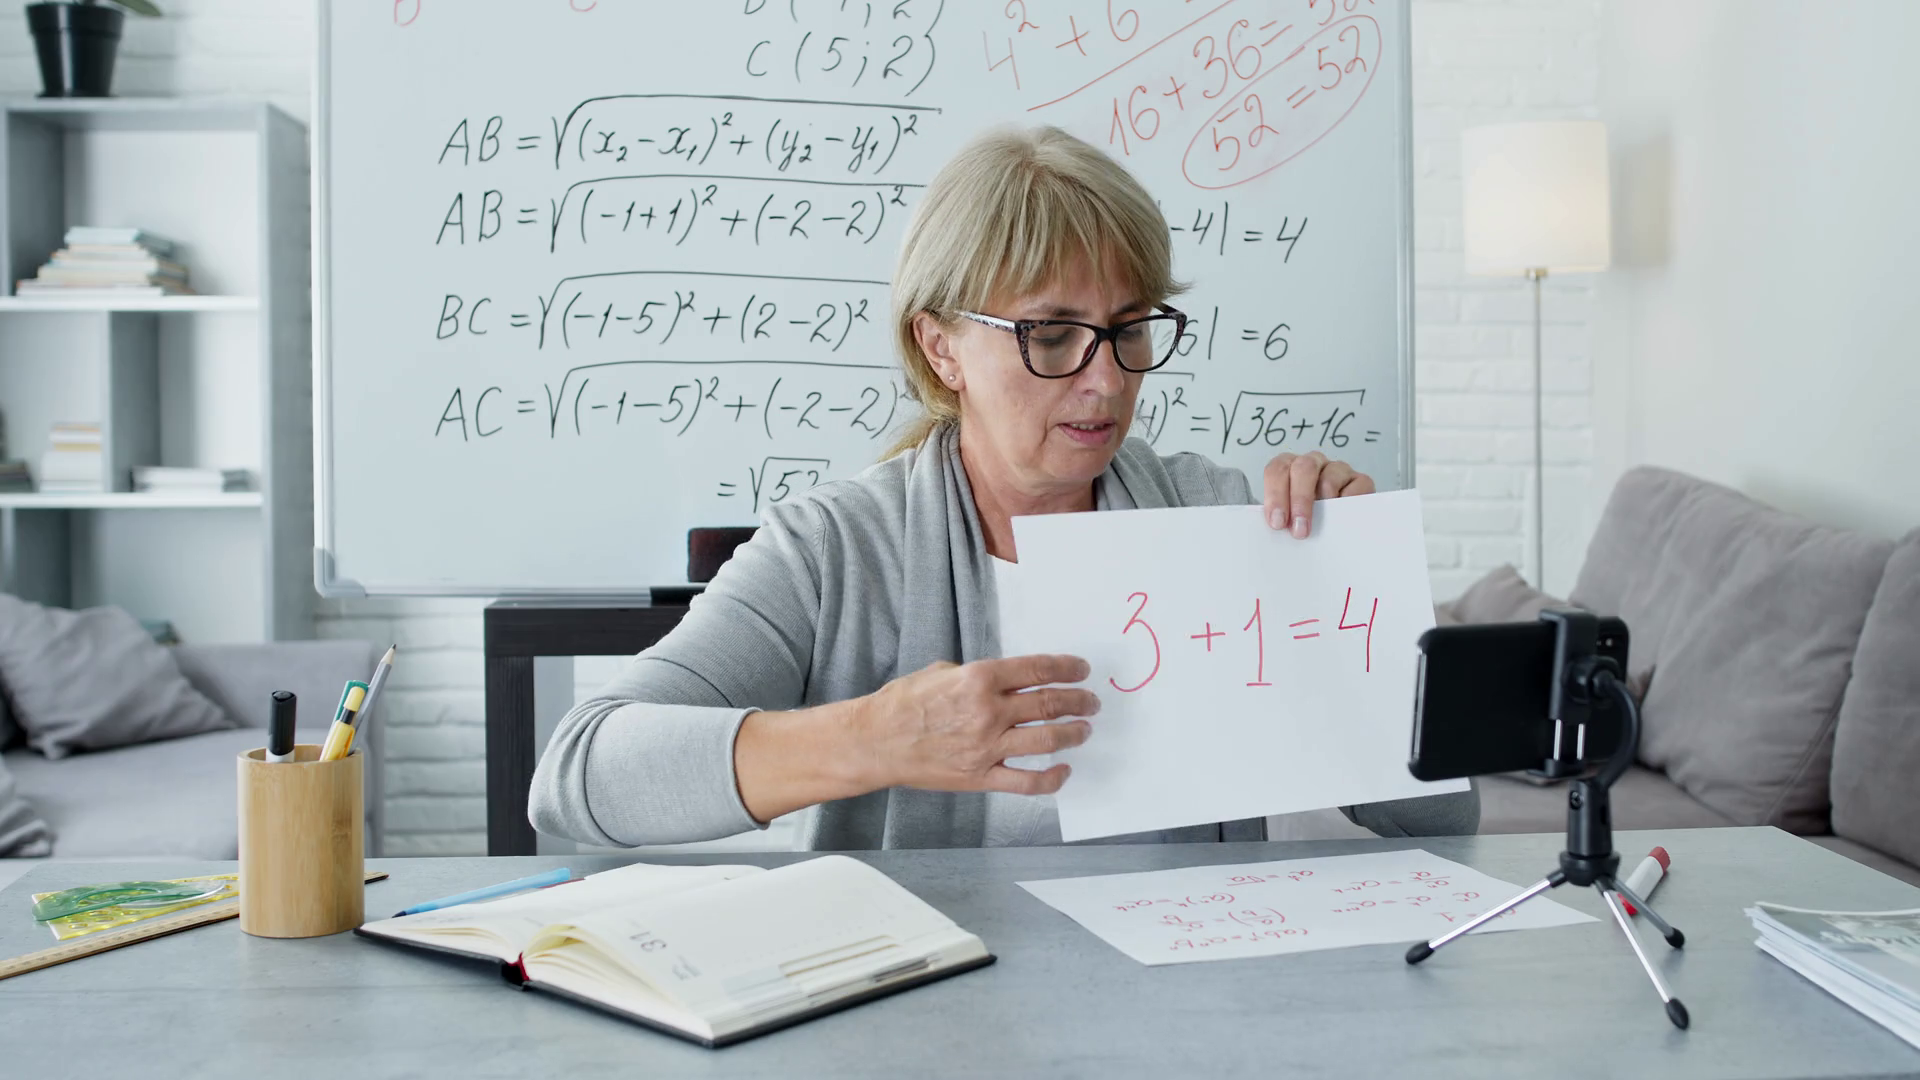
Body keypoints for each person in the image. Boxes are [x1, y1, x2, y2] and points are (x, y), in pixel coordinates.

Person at [530, 126, 1478, 850]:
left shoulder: (1222, 519)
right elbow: (578, 777)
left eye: (1129, 328)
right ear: (940, 346)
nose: (1106, 381)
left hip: (1193, 1015)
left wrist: (1359, 600)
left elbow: (1445, 813)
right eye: (1051, 335)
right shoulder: (836, 551)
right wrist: (872, 737)